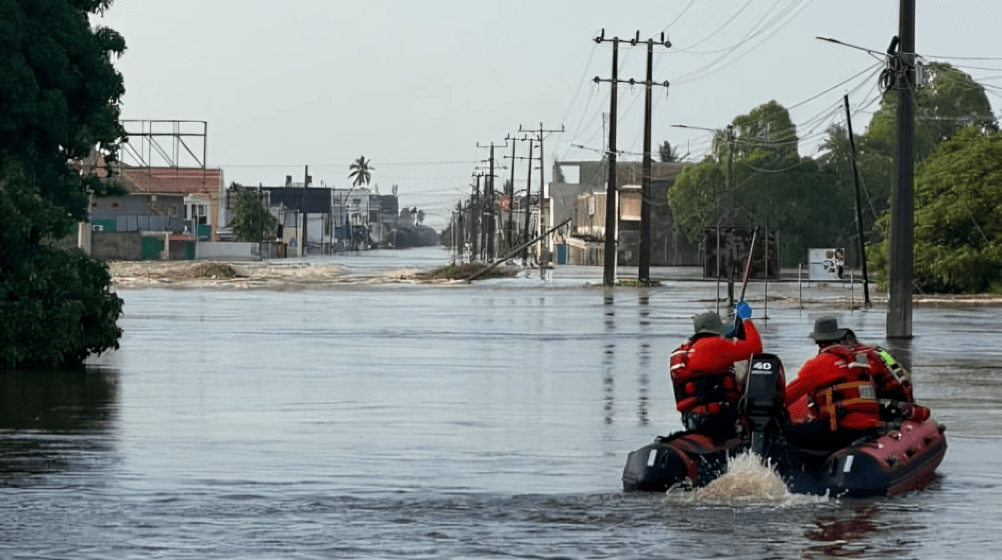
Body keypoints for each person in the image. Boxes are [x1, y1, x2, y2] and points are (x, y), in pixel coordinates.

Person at [785, 316, 928, 447]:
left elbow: (789, 394)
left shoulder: (821, 363)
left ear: (819, 343)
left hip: (845, 427)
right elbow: (898, 376)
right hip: (880, 413)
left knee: (786, 433)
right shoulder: (870, 356)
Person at [669, 302, 762, 439]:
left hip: (692, 419)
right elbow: (755, 348)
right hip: (718, 418)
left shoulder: (684, 351)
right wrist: (747, 320)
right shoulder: (714, 345)